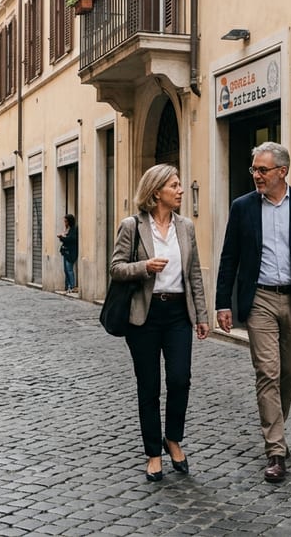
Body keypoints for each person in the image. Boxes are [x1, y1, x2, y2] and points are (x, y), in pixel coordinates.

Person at [215, 142, 291, 483]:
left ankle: (276, 427)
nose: (256, 175)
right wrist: (224, 302)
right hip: (261, 300)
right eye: (253, 169)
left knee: (290, 373)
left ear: (282, 171)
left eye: (262, 170)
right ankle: (276, 450)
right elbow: (229, 258)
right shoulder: (243, 207)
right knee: (267, 372)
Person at [110, 164, 210, 482]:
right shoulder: (132, 226)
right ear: (157, 192)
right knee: (149, 385)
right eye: (175, 185)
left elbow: (194, 273)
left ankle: (173, 438)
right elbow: (115, 268)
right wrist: (145, 267)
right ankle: (154, 452)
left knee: (180, 379)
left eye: (180, 184)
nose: (181, 190)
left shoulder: (186, 227)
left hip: (179, 313)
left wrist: (202, 316)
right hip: (146, 314)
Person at [59, 213, 78, 292]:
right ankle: (68, 286)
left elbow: (71, 240)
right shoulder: (68, 229)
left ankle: (72, 286)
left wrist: (62, 238)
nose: (65, 223)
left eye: (66, 221)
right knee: (66, 270)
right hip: (65, 252)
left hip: (70, 252)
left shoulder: (74, 229)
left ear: (70, 221)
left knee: (69, 270)